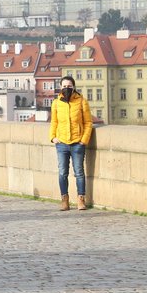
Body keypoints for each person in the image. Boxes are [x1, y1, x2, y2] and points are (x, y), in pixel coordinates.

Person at [49, 75, 94, 211]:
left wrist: (83, 140)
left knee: (79, 172)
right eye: (64, 86)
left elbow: (88, 122)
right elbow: (54, 122)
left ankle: (81, 200)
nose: (66, 88)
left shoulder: (81, 101)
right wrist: (53, 137)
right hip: (61, 142)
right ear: (60, 88)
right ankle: (65, 200)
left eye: (69, 86)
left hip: (77, 142)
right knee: (62, 172)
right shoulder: (56, 103)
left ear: (73, 87)